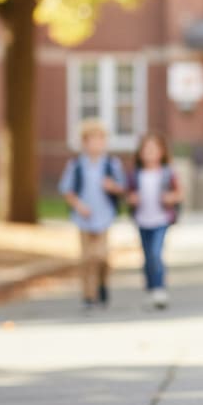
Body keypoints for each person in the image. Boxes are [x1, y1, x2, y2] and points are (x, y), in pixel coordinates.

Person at [59, 119, 126, 309]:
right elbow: (67, 190)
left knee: (102, 257)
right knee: (87, 258)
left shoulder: (112, 164)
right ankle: (88, 295)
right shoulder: (77, 165)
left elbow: (122, 188)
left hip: (104, 216)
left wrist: (112, 187)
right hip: (84, 218)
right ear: (84, 142)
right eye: (93, 140)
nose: (97, 144)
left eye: (101, 139)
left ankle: (103, 284)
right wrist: (79, 206)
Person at [126, 131, 183, 310]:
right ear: (140, 153)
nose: (150, 153)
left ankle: (159, 289)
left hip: (161, 219)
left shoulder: (167, 173)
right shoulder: (136, 174)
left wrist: (170, 197)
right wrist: (131, 199)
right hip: (143, 220)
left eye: (153, 149)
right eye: (146, 150)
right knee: (146, 256)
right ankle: (151, 288)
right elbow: (128, 195)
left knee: (156, 254)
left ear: (161, 152)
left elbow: (179, 193)